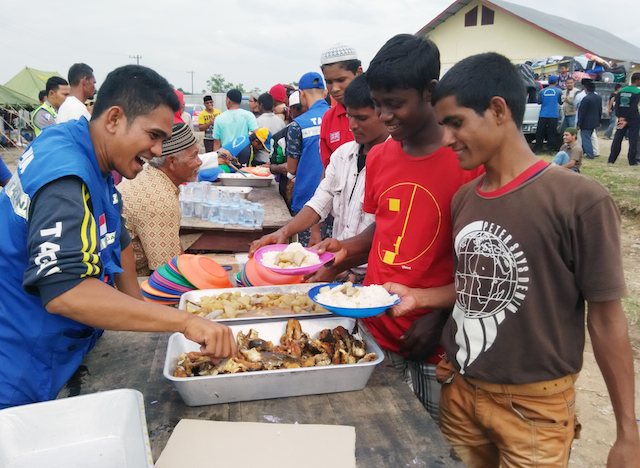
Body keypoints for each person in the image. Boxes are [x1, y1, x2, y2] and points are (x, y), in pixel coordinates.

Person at [402, 50, 640, 468]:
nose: (446, 139)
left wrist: (627, 434)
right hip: (459, 393)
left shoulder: (579, 200)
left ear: (498, 110)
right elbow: (474, 285)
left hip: (534, 412)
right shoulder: (465, 198)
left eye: (455, 123)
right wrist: (416, 297)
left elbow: (606, 320)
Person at [0, 64, 236, 409]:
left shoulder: (84, 145)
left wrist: (138, 308)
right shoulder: (66, 178)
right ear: (113, 119)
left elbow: (117, 235)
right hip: (25, 359)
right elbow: (65, 292)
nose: (158, 150)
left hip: (70, 343)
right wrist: (185, 322)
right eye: (153, 135)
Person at [308, 34, 482, 420]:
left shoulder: (467, 161)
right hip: (377, 324)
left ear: (429, 92)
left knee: (436, 436)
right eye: (378, 105)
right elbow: (385, 227)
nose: (385, 116)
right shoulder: (382, 155)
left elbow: (477, 262)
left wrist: (440, 316)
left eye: (396, 104)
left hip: (434, 334)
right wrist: (346, 248)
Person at [250, 74, 386, 282]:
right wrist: (284, 232)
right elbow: (319, 203)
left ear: (385, 114)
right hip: (340, 268)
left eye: (362, 118)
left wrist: (336, 266)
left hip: (374, 275)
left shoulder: (396, 163)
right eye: (350, 116)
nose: (352, 126)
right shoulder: (343, 155)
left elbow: (383, 231)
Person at [117, 123, 201, 276]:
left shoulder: (148, 176)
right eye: (194, 156)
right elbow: (167, 272)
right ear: (172, 162)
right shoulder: (160, 201)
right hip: (129, 284)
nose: (199, 162)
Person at [285, 72, 330, 245]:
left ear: (301, 94)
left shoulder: (298, 125)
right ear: (325, 93)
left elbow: (291, 169)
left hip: (308, 203)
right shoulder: (341, 120)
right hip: (336, 203)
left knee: (307, 256)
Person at [319, 43, 363, 168]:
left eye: (341, 80)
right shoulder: (329, 118)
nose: (335, 88)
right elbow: (328, 169)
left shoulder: (379, 111)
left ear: (359, 73)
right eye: (329, 82)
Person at [608, 73, 640, 166]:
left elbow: (616, 105)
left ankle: (612, 159)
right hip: (633, 119)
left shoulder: (621, 91)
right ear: (637, 81)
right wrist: (628, 118)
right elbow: (634, 107)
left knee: (617, 138)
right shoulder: (638, 92)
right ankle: (632, 160)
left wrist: (620, 117)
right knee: (633, 139)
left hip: (621, 118)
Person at [534, 75, 562, 153]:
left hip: (543, 114)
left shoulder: (542, 91)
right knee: (552, 132)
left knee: (540, 132)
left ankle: (538, 148)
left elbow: (539, 102)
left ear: (548, 82)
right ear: (556, 82)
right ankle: (550, 149)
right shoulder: (559, 91)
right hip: (554, 114)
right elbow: (560, 102)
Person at [575, 78, 600, 157]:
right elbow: (600, 110)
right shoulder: (598, 97)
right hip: (594, 121)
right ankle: (590, 151)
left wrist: (579, 123)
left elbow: (581, 112)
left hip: (586, 122)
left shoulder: (585, 99)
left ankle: (590, 154)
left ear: (586, 89)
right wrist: (599, 121)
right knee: (590, 137)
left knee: (585, 138)